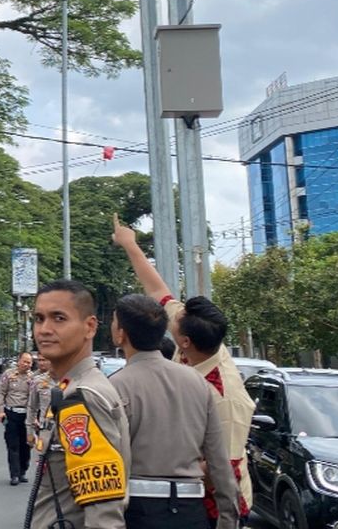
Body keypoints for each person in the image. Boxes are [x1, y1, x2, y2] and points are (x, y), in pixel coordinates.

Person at [113, 215, 255, 526]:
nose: (169, 314)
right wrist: (129, 244)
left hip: (215, 502)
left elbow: (221, 468)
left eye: (173, 320)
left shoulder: (224, 397)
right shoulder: (202, 337)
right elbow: (157, 290)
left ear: (184, 342)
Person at [110, 294, 239, 529]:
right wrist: (228, 518)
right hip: (191, 508)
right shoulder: (197, 382)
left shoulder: (115, 386)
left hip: (138, 509)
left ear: (121, 334)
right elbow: (219, 460)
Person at [27, 280, 130, 529]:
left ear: (90, 327)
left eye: (59, 318)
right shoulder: (68, 389)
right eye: (39, 319)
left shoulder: (83, 397)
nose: (44, 329)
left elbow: (103, 512)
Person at [0, 350, 34, 485]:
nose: (27, 364)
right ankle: (14, 474)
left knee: (26, 446)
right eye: (24, 361)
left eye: (29, 362)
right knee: (13, 445)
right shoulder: (8, 375)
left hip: (27, 416)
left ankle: (23, 471)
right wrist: (0, 411)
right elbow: (1, 392)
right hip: (11, 414)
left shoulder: (33, 378)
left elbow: (36, 399)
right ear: (19, 361)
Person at [26, 356, 54, 448]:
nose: (42, 363)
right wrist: (30, 432)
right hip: (46, 430)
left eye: (45, 360)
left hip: (68, 429)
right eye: (40, 360)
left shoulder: (71, 380)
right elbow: (32, 407)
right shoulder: (38, 380)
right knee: (44, 459)